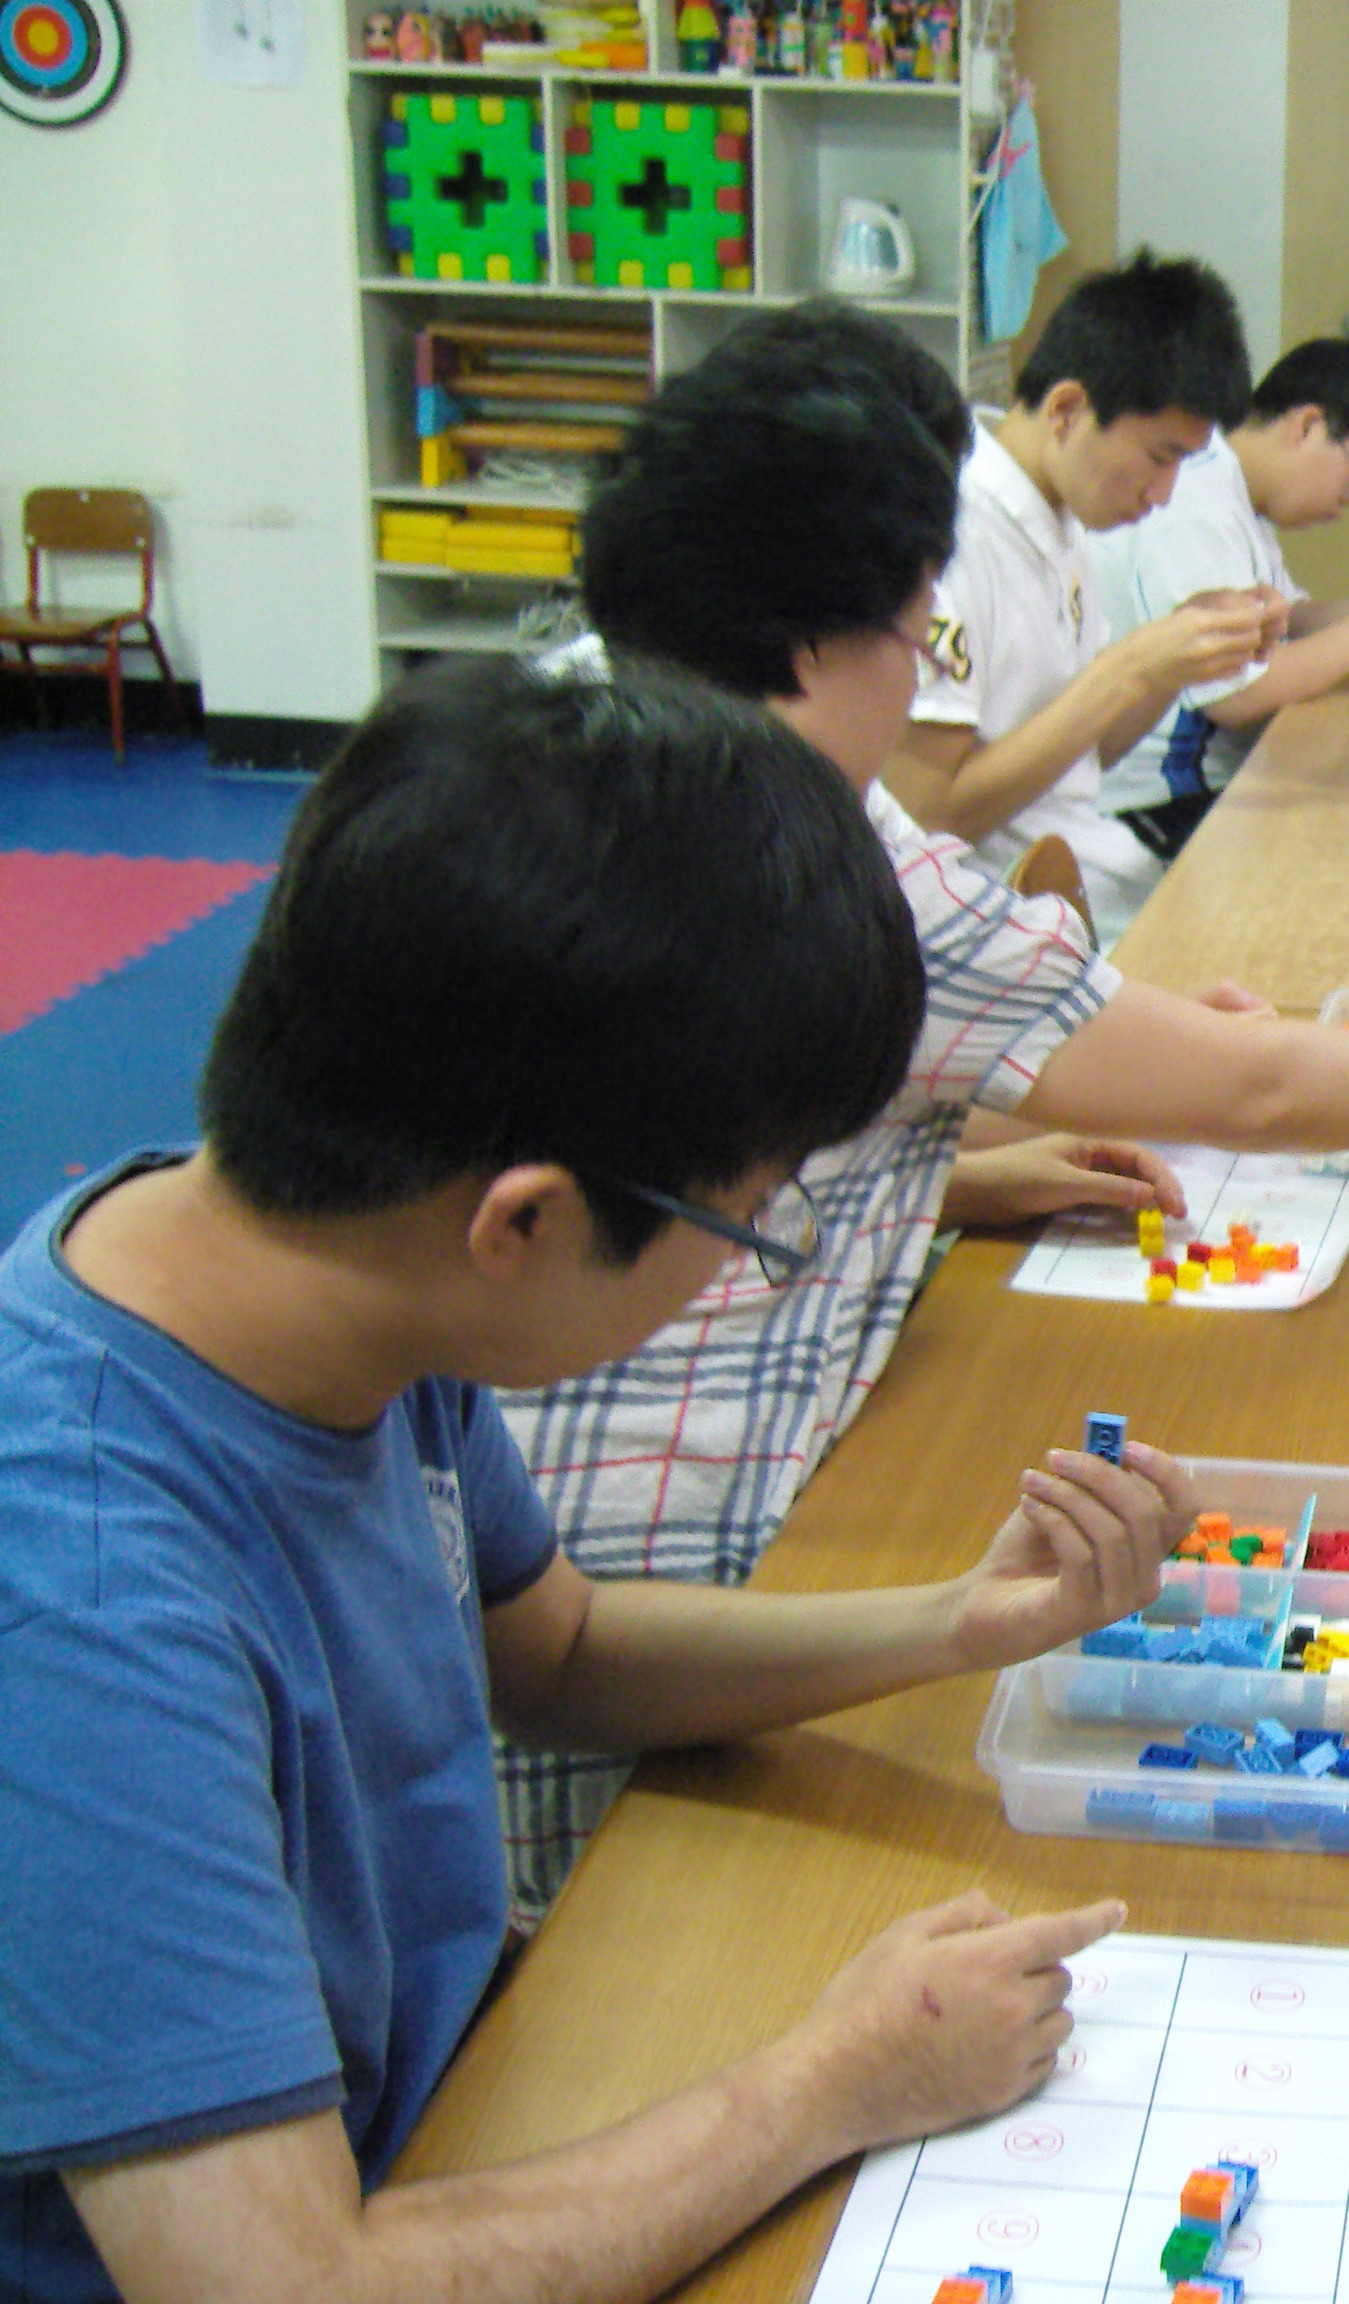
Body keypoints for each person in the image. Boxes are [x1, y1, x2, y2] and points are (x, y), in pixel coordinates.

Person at [0, 657, 1178, 2304]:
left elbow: (552, 1646)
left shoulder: (333, 1267)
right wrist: (835, 2078)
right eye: (751, 1216)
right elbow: (283, 2287)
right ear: (528, 1220)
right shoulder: (83, 1590)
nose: (752, 1257)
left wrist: (954, 1621)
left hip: (439, 2112)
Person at [509, 298, 1349, 1916]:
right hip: (653, 1622)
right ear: (827, 639)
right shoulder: (830, 861)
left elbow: (645, 1133)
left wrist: (943, 1177)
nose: (920, 676)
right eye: (915, 634)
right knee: (678, 1915)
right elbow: (1255, 1081)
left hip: (505, 1574)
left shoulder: (531, 729)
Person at [889, 252, 1288, 938]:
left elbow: (1079, 759)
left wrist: (1178, 660)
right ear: (1068, 409)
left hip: (1088, 877)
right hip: (997, 920)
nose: (1163, 495)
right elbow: (926, 821)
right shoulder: (952, 535)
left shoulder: (1061, 519)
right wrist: (1128, 669)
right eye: (1159, 458)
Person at [1090, 335, 1349, 857]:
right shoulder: (1196, 504)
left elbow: (1292, 619)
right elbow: (1237, 695)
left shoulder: (1236, 490)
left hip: (1213, 780)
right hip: (1158, 800)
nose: (1347, 504)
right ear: (1306, 426)